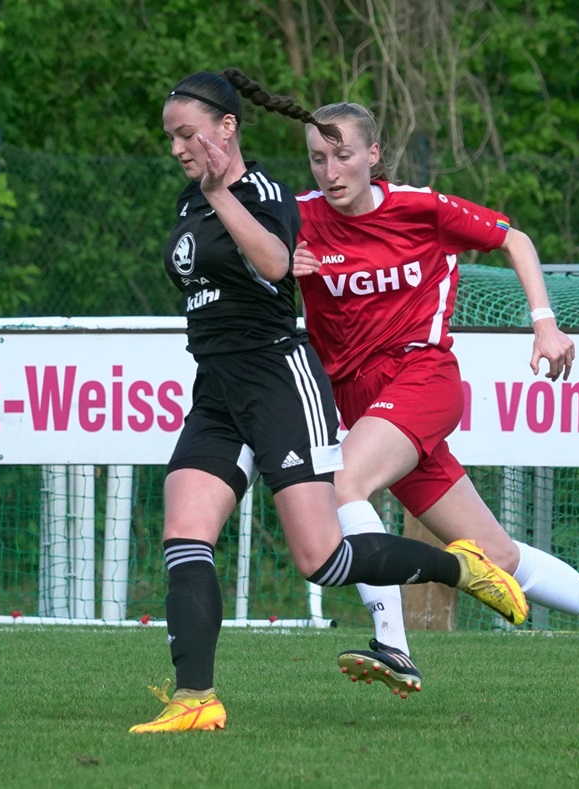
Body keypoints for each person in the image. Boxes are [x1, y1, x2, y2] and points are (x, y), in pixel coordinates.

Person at [129, 70, 530, 734]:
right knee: (185, 535)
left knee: (323, 559)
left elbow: (273, 263)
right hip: (217, 388)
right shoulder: (188, 201)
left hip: (278, 380)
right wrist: (207, 198)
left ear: (226, 128)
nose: (176, 147)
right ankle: (195, 698)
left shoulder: (262, 193)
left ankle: (461, 567)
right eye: (170, 136)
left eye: (186, 133)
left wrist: (221, 195)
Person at [291, 101, 579, 704]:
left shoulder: (420, 208)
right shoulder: (297, 217)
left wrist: (544, 323)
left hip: (421, 377)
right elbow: (240, 258)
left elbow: (515, 239)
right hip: (359, 403)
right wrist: (280, 266)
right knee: (498, 555)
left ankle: (392, 644)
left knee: (344, 481)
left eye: (343, 156)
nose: (330, 172)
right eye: (317, 159)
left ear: (373, 154)